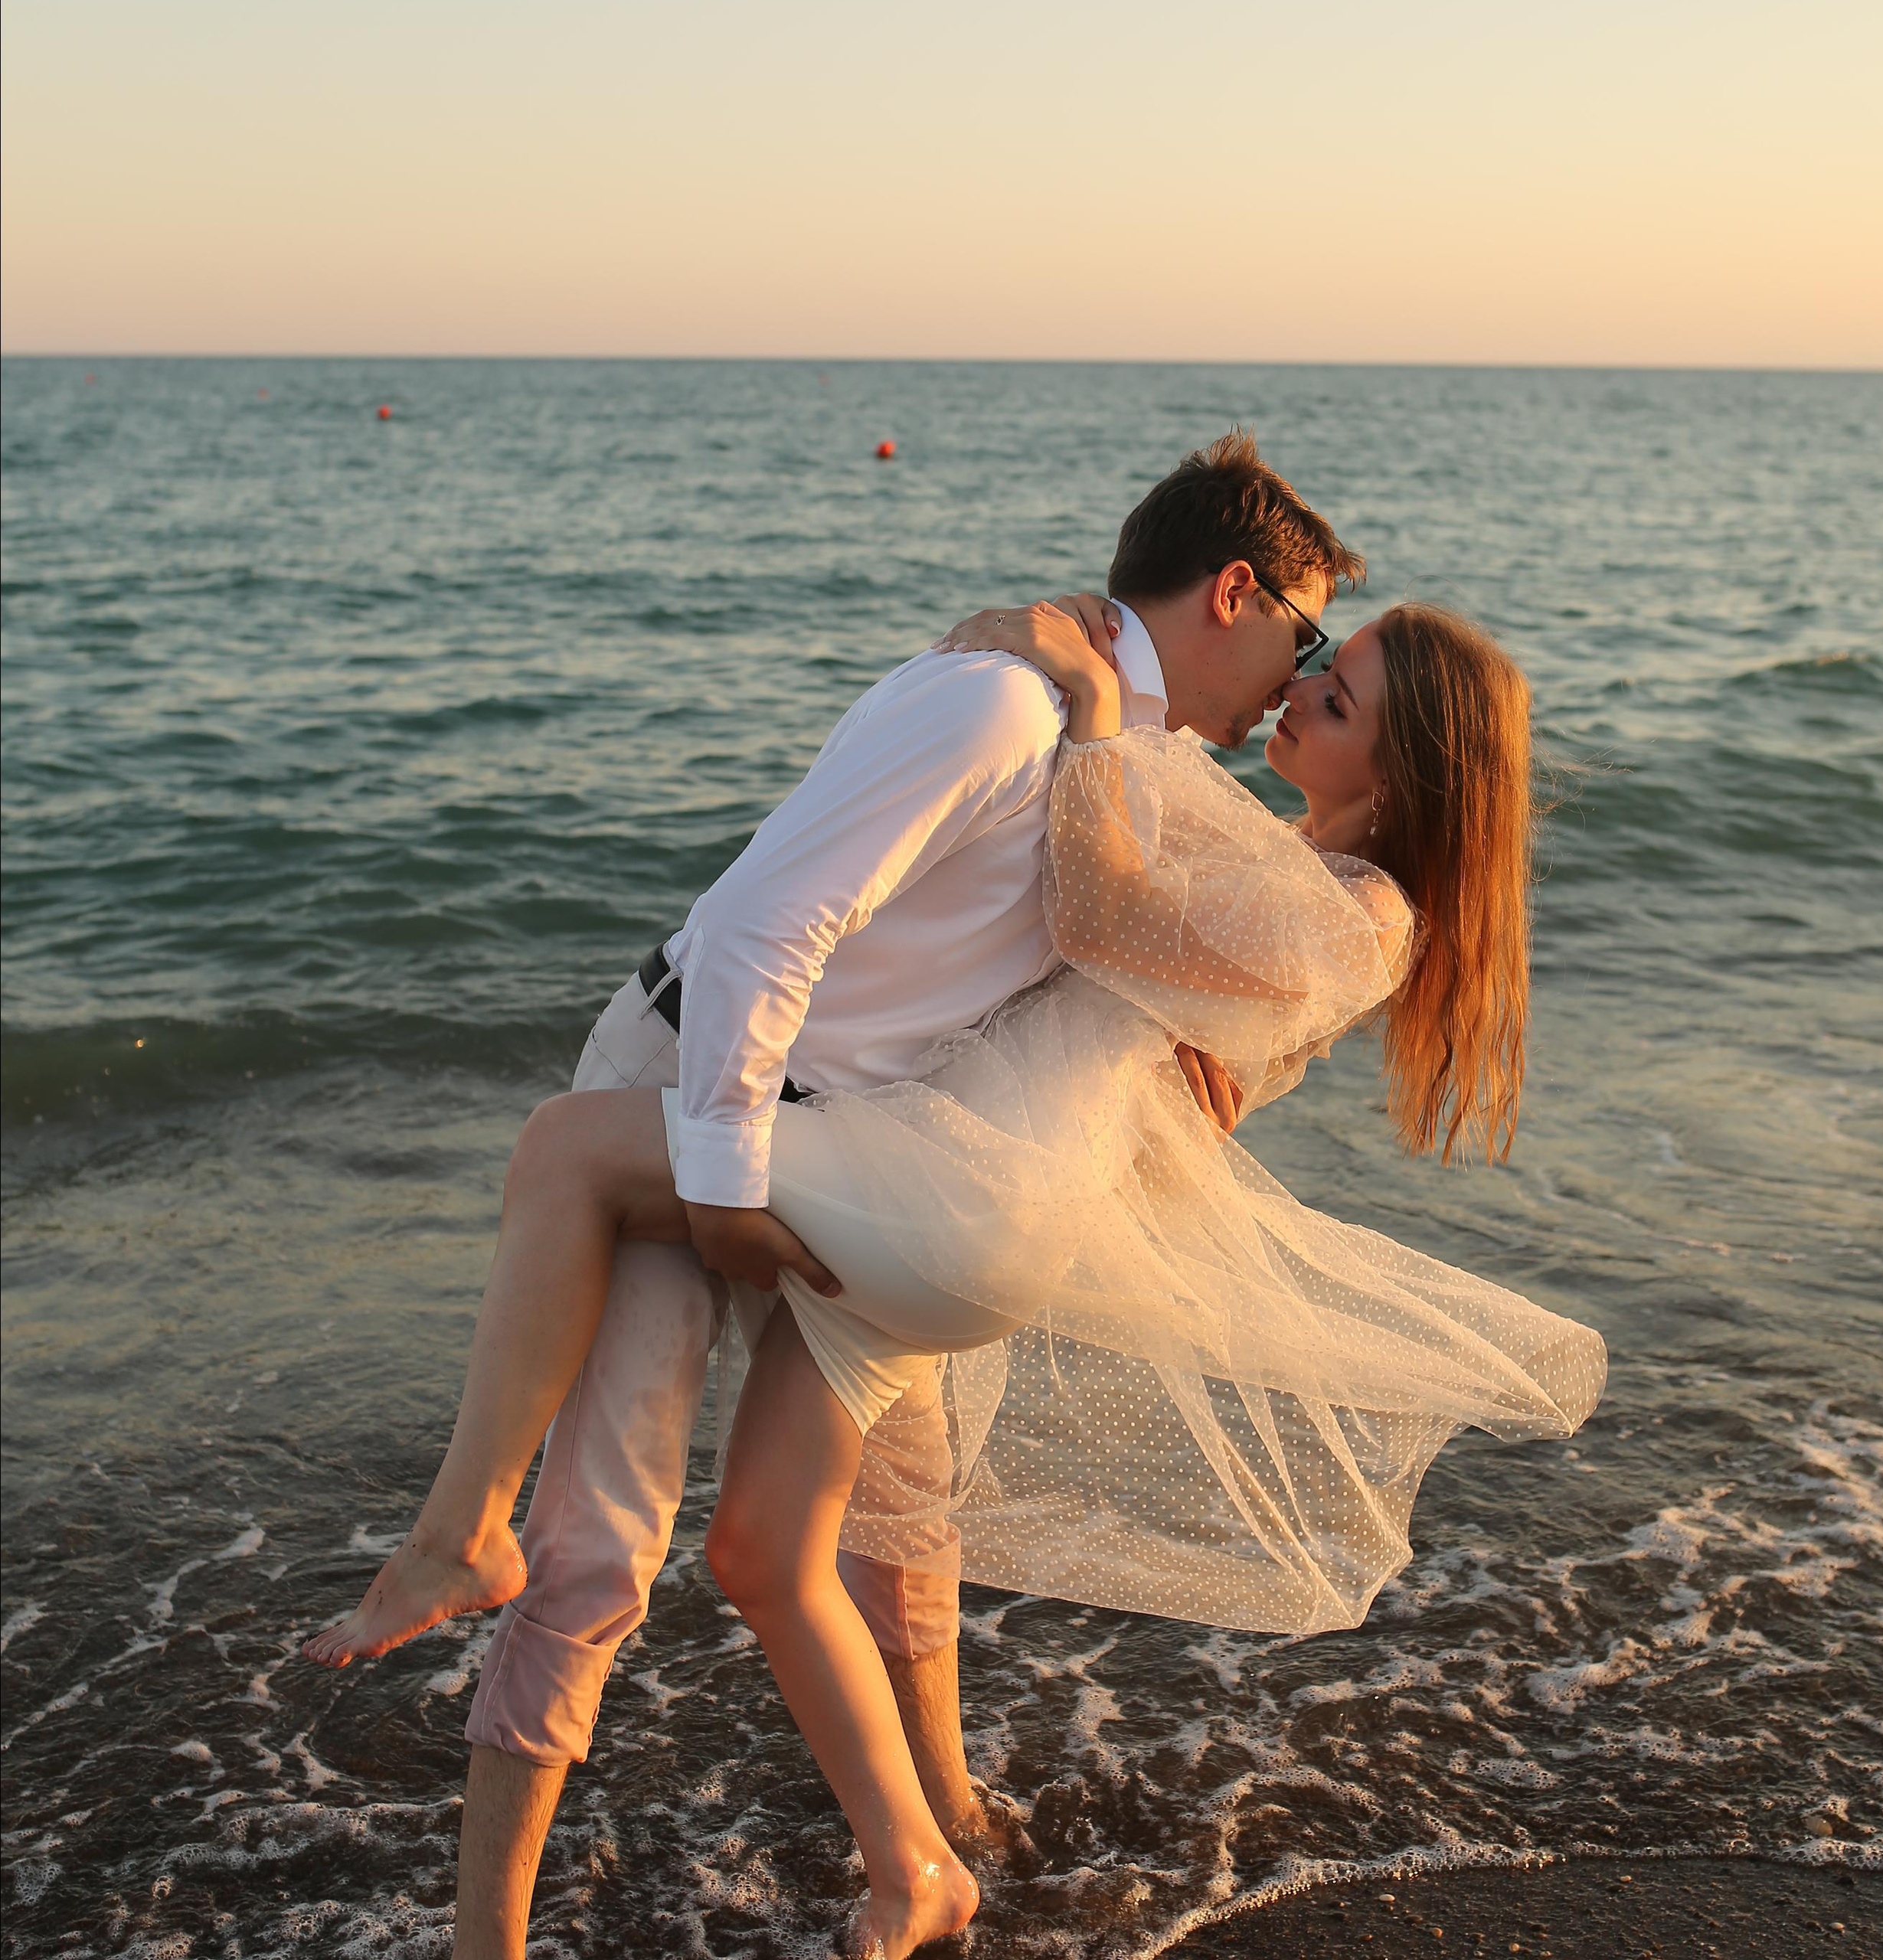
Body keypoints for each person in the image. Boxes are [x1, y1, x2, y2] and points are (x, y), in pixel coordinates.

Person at [308, 432, 1358, 1959]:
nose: (1295, 672)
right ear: (1235, 590)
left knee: (904, 1505)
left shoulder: (1123, 742)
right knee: (600, 1531)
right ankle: (489, 1940)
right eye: (1302, 636)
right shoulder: (998, 700)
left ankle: (938, 1822)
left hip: (872, 1145)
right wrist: (722, 1183)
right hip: (698, 1092)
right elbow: (760, 928)